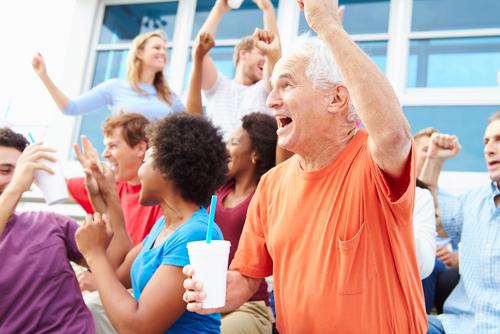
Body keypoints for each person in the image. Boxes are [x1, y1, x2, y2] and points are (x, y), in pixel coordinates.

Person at [183, 1, 427, 333]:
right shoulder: (271, 185)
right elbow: (246, 277)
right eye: (272, 89)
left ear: (337, 99)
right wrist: (220, 290)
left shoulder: (373, 162)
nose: (270, 101)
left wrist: (326, 25)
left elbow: (395, 134)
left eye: (286, 85)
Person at [75, 113, 229, 333]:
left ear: (167, 168)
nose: (140, 170)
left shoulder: (196, 232)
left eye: (146, 160)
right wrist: (107, 199)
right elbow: (117, 274)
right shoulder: (165, 227)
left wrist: (94, 254)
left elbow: (138, 327)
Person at [0, 128, 131, 333]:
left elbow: (114, 263)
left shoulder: (50, 223)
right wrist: (15, 187)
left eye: (19, 171)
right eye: (4, 171)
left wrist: (105, 200)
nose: (14, 179)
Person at [420, 112, 500, 333]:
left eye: (499, 139)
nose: (489, 149)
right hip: (457, 326)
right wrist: (434, 160)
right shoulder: (473, 201)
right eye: (486, 141)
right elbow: (431, 216)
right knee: (391, 320)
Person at [214, 112, 277, 333]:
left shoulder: (266, 193)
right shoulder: (219, 188)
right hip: (211, 302)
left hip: (249, 307)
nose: (225, 149)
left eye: (233, 143)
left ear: (256, 154)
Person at [32, 30, 184, 120]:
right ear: (139, 53)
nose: (163, 52)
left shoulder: (170, 97)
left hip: (159, 169)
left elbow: (192, 127)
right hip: (125, 168)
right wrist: (44, 76)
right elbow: (71, 108)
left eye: (165, 49)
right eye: (157, 48)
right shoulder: (115, 87)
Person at [68, 113, 162, 246]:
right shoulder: (107, 185)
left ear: (140, 148)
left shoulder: (161, 196)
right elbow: (59, 185)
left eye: (113, 146)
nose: (105, 154)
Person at [193, 0, 280, 138]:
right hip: (216, 157)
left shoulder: (266, 90)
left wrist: (268, 9)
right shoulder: (218, 86)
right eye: (261, 53)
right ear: (243, 53)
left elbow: (274, 52)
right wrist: (219, 8)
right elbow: (199, 52)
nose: (266, 58)